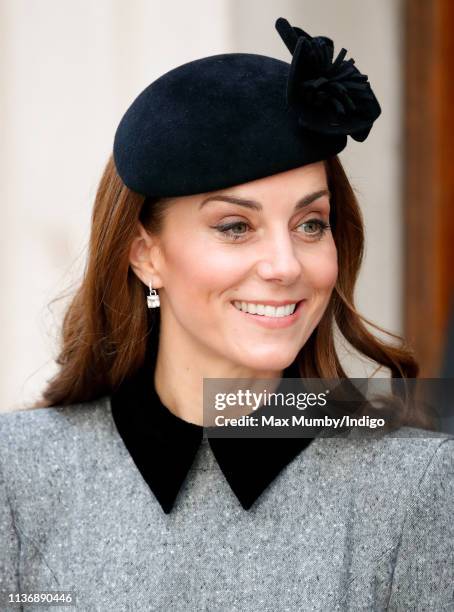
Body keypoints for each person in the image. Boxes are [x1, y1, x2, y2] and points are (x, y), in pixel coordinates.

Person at [1, 16, 453, 611]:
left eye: (310, 224)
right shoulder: (19, 475)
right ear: (145, 256)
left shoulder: (418, 488)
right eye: (235, 227)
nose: (285, 265)